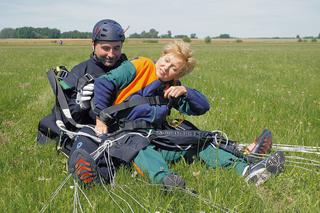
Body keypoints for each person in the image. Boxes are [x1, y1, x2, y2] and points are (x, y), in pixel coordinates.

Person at [68, 41, 283, 189]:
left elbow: (202, 108)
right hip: (124, 133)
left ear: (179, 74)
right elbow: (105, 83)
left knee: (199, 142)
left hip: (156, 134)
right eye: (167, 61)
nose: (167, 68)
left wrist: (185, 91)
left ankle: (247, 171)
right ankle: (166, 182)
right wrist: (100, 117)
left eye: (174, 69)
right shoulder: (139, 65)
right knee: (139, 148)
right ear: (162, 55)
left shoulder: (173, 87)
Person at [37, 19, 128, 144]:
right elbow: (63, 116)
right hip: (91, 130)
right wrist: (80, 105)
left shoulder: (128, 68)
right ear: (93, 45)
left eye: (116, 48)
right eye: (105, 48)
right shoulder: (80, 72)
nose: (111, 54)